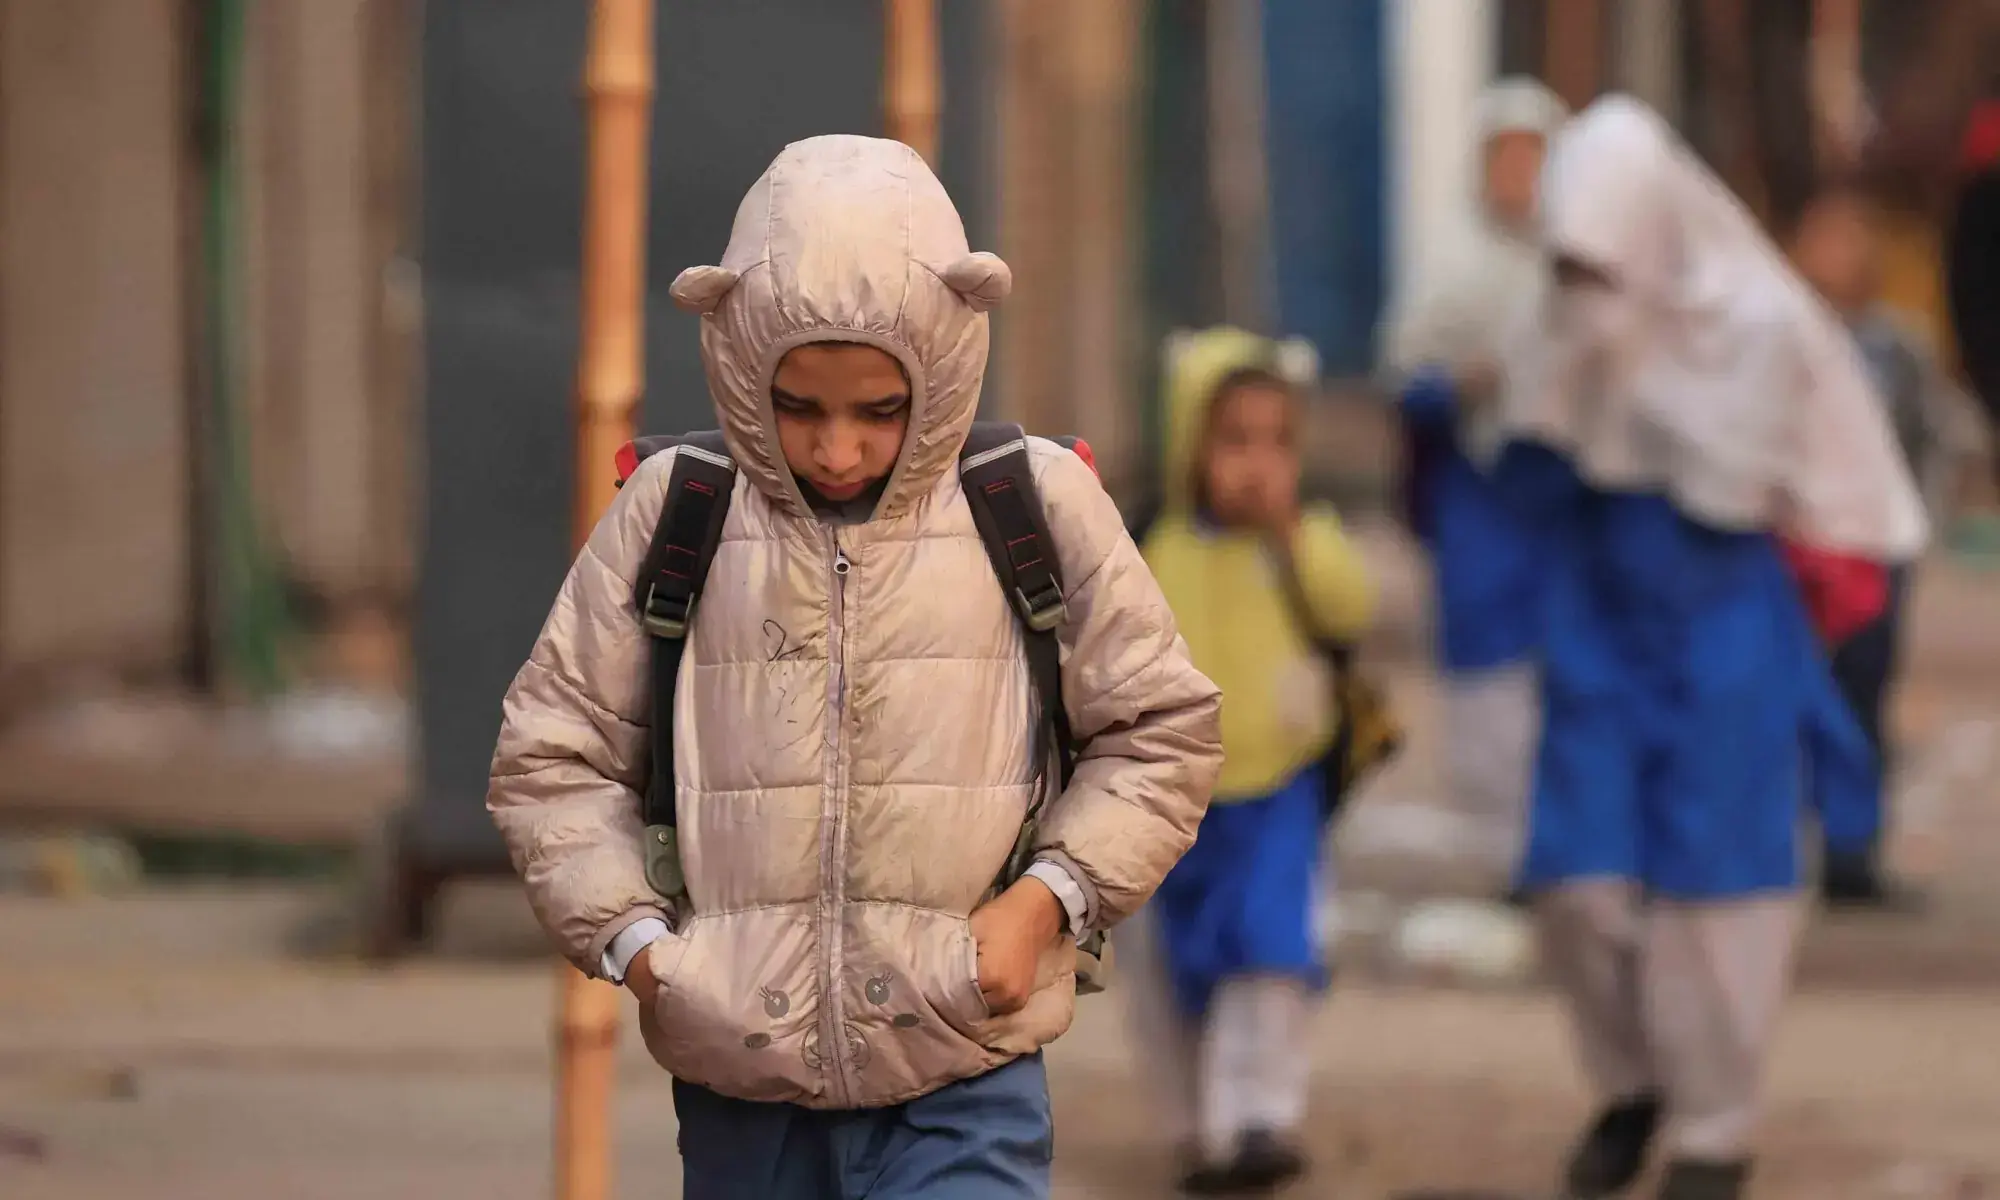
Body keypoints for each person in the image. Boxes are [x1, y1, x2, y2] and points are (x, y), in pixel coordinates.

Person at [487, 135, 1224, 1200]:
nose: (837, 451)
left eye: (878, 411)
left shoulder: (1031, 502)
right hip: (742, 1089)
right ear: (739, 360)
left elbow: (1160, 733)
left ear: (947, 355)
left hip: (967, 1064)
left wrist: (1045, 904)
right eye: (799, 408)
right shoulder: (676, 510)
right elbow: (551, 759)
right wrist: (642, 949)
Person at [1503, 97, 1926, 1200]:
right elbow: (1528, 449)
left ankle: (1710, 1130)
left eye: (1601, 265)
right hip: (1600, 607)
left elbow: (1836, 502)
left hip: (1727, 616)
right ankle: (1632, 1079)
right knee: (1574, 880)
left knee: (1720, 889)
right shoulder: (1560, 313)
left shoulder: (1764, 325)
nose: (1583, 292)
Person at [1122, 327, 1373, 1195]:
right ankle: (1196, 1124)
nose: (1257, 465)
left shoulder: (1300, 543)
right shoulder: (1152, 549)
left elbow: (1350, 608)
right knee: (1172, 969)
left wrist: (1296, 536)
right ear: (1188, 441)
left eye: (1277, 443)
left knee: (1269, 950)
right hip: (1171, 798)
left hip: (1279, 788)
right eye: (1234, 441)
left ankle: (1259, 1116)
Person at [1381, 77, 1568, 889]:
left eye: (1535, 156)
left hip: (1565, 503)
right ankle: (1507, 856)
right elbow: (1406, 375)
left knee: (1566, 679)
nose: (1519, 174)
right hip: (1483, 505)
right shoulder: (1452, 268)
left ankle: (1563, 851)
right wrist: (1461, 383)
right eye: (1506, 156)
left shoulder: (1579, 266)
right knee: (1489, 683)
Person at [1789, 178, 1986, 908]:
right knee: (1784, 695)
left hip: (1870, 550)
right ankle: (1772, 846)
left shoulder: (1897, 346)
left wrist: (1917, 515)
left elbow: (1943, 429)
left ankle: (1851, 851)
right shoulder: (1779, 330)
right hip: (1797, 548)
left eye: (1850, 238)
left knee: (1862, 697)